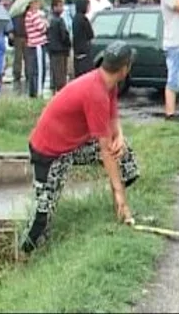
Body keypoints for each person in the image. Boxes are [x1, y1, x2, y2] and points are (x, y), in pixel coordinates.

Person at [21, 41, 139, 253]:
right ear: (124, 69)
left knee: (124, 155)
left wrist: (119, 136)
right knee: (42, 216)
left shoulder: (108, 83)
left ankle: (120, 212)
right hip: (49, 151)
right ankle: (22, 257)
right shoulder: (95, 93)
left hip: (72, 145)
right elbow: (104, 150)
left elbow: (112, 117)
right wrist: (118, 191)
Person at [25, 0, 49, 98]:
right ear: (32, 4)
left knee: (34, 70)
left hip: (33, 44)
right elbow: (42, 28)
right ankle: (38, 92)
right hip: (37, 45)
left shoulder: (28, 15)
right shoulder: (33, 15)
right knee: (39, 70)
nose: (38, 4)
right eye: (37, 3)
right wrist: (45, 22)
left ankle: (34, 91)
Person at [48, 0, 72, 93]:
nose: (61, 8)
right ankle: (61, 92)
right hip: (60, 50)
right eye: (59, 6)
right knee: (61, 74)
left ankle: (54, 90)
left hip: (52, 50)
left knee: (54, 73)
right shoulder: (59, 20)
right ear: (54, 7)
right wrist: (68, 44)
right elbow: (64, 36)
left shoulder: (50, 19)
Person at [72, 0, 95, 78]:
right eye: (88, 6)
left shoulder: (75, 19)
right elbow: (90, 35)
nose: (89, 8)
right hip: (84, 52)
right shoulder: (84, 19)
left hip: (77, 51)